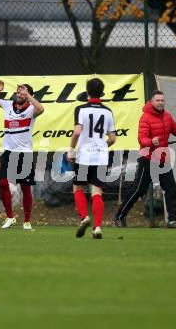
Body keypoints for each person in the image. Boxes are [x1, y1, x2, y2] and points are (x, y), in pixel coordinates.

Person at [113, 90, 176, 228]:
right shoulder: (145, 117)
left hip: (163, 160)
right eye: (157, 100)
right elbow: (141, 138)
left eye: (162, 100)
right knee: (138, 190)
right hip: (148, 160)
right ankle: (119, 217)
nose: (160, 102)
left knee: (170, 188)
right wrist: (151, 142)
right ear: (152, 102)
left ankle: (172, 220)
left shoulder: (167, 116)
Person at [0, 81, 44, 230]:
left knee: (25, 188)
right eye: (18, 92)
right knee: (4, 183)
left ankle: (26, 221)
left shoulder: (31, 109)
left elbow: (41, 109)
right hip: (9, 153)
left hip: (25, 153)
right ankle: (10, 217)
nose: (19, 95)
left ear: (29, 95)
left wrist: (28, 95)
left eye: (22, 92)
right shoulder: (8, 105)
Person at [67, 78, 116, 239]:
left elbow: (77, 132)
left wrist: (71, 150)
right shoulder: (108, 111)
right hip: (101, 157)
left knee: (78, 188)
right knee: (97, 192)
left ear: (87, 93)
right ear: (102, 93)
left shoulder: (81, 109)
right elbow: (113, 138)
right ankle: (97, 228)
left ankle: (84, 217)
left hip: (84, 157)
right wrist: (102, 145)